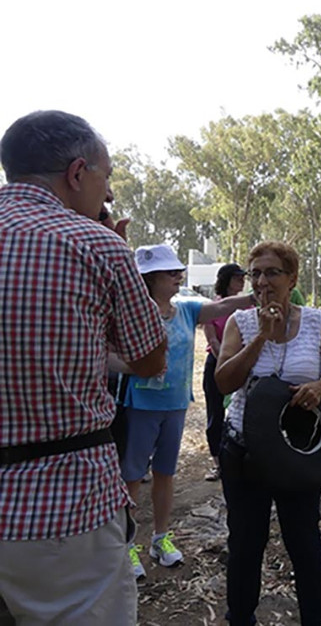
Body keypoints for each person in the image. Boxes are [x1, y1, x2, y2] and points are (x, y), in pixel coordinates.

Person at [0, 110, 167, 624]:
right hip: (62, 506)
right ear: (77, 174)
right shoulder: (94, 243)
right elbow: (149, 358)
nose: (109, 194)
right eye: (106, 176)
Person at [215, 241, 321, 626]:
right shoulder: (239, 323)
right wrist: (260, 336)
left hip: (298, 455)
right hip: (245, 454)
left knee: (304, 541)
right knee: (245, 542)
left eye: (272, 272)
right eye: (256, 273)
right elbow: (224, 382)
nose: (262, 281)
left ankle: (316, 619)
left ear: (292, 278)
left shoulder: (316, 322)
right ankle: (240, 618)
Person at [121, 244, 254, 579]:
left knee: (166, 474)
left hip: (175, 405)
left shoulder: (185, 309)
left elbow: (223, 305)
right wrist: (135, 369)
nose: (179, 277)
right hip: (140, 406)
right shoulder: (132, 313)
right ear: (150, 279)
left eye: (179, 271)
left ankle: (160, 539)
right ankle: (126, 546)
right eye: (171, 273)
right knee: (132, 478)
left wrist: (258, 295)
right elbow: (108, 356)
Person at [202, 263, 248, 481]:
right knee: (216, 413)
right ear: (226, 280)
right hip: (216, 364)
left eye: (243, 277)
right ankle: (218, 463)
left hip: (242, 366)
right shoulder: (213, 307)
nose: (242, 281)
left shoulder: (247, 308)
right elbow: (212, 338)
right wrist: (226, 361)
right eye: (238, 277)